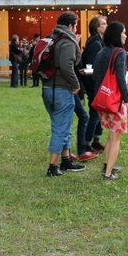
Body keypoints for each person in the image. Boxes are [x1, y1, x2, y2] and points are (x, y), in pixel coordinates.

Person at [43, 12, 85, 177]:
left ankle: (66, 160)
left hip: (47, 89)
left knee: (61, 125)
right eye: (75, 26)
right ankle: (52, 167)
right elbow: (67, 66)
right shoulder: (67, 42)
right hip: (61, 89)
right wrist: (76, 85)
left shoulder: (52, 38)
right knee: (60, 128)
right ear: (70, 26)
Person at [92, 21, 128, 180]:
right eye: (123, 32)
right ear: (117, 34)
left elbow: (96, 76)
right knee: (116, 137)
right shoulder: (120, 53)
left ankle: (106, 165)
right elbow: (122, 81)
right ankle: (108, 173)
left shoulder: (101, 52)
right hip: (115, 102)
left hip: (102, 100)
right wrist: (127, 101)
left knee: (110, 134)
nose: (125, 35)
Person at [80, 15, 107, 153]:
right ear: (97, 27)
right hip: (94, 84)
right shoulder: (96, 43)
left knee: (99, 113)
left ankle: (95, 140)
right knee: (95, 114)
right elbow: (92, 66)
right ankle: (87, 143)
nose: (105, 26)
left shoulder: (98, 41)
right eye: (103, 24)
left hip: (96, 83)